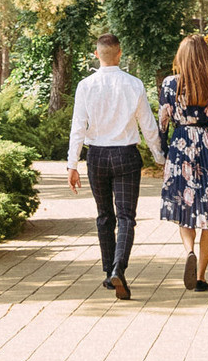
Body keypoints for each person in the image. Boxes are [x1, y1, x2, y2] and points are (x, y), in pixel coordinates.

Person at [66, 28, 161, 299]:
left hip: (96, 157)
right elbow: (148, 125)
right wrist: (160, 157)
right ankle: (119, 267)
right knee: (126, 217)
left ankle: (109, 273)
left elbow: (78, 127)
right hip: (126, 156)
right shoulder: (134, 84)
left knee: (104, 216)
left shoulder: (85, 85)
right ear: (119, 54)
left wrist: (72, 164)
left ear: (97, 55)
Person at [156, 33, 208, 292]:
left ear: (181, 57)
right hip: (207, 149)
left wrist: (162, 154)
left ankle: (189, 251)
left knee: (185, 208)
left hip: (180, 149)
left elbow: (163, 123)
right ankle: (200, 276)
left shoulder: (169, 84)